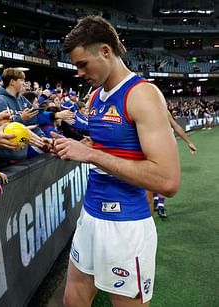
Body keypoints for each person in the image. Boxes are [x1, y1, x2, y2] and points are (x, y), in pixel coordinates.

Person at [55, 16, 180, 306]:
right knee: (72, 302)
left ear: (106, 51)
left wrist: (91, 154)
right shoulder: (97, 94)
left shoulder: (143, 95)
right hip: (90, 215)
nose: (79, 72)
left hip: (126, 225)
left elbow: (168, 180)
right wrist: (73, 147)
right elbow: (106, 148)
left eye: (82, 64)